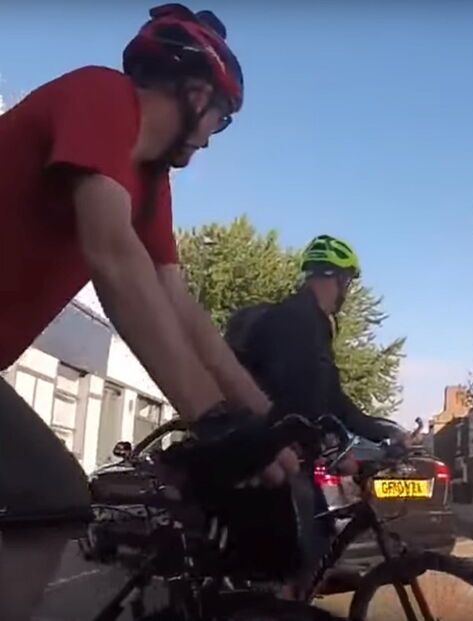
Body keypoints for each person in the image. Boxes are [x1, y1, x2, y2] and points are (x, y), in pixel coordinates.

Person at [0, 6, 297, 619]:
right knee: (49, 495)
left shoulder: (149, 182)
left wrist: (267, 419)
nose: (216, 132)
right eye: (224, 115)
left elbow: (180, 306)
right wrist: (212, 420)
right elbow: (113, 258)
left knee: (44, 501)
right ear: (196, 94)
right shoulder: (103, 95)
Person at [225, 234, 404, 447]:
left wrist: (383, 431)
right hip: (273, 453)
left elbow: (332, 399)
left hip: (254, 443)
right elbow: (315, 401)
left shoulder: (290, 316)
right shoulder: (304, 322)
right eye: (347, 282)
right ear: (340, 278)